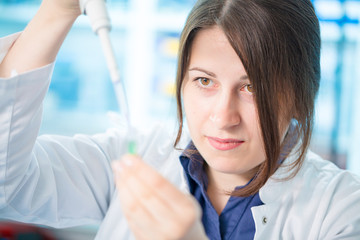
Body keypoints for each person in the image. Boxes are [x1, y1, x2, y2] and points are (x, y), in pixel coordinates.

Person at [0, 0, 360, 239]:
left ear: (301, 94)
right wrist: (57, 12)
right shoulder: (134, 156)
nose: (223, 116)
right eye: (205, 81)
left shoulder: (340, 209)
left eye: (252, 87)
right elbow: (7, 186)